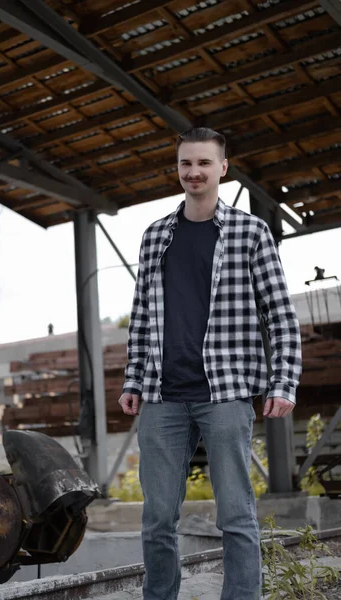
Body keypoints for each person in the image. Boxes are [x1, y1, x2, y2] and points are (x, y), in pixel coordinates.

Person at [118, 127, 302, 600]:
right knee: (158, 516)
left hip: (224, 394)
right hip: (162, 395)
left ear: (222, 168)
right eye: (185, 163)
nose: (193, 172)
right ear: (177, 168)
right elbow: (142, 316)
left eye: (203, 163)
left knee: (236, 513)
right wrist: (134, 379)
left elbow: (279, 314)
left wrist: (284, 383)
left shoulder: (250, 232)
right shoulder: (156, 235)